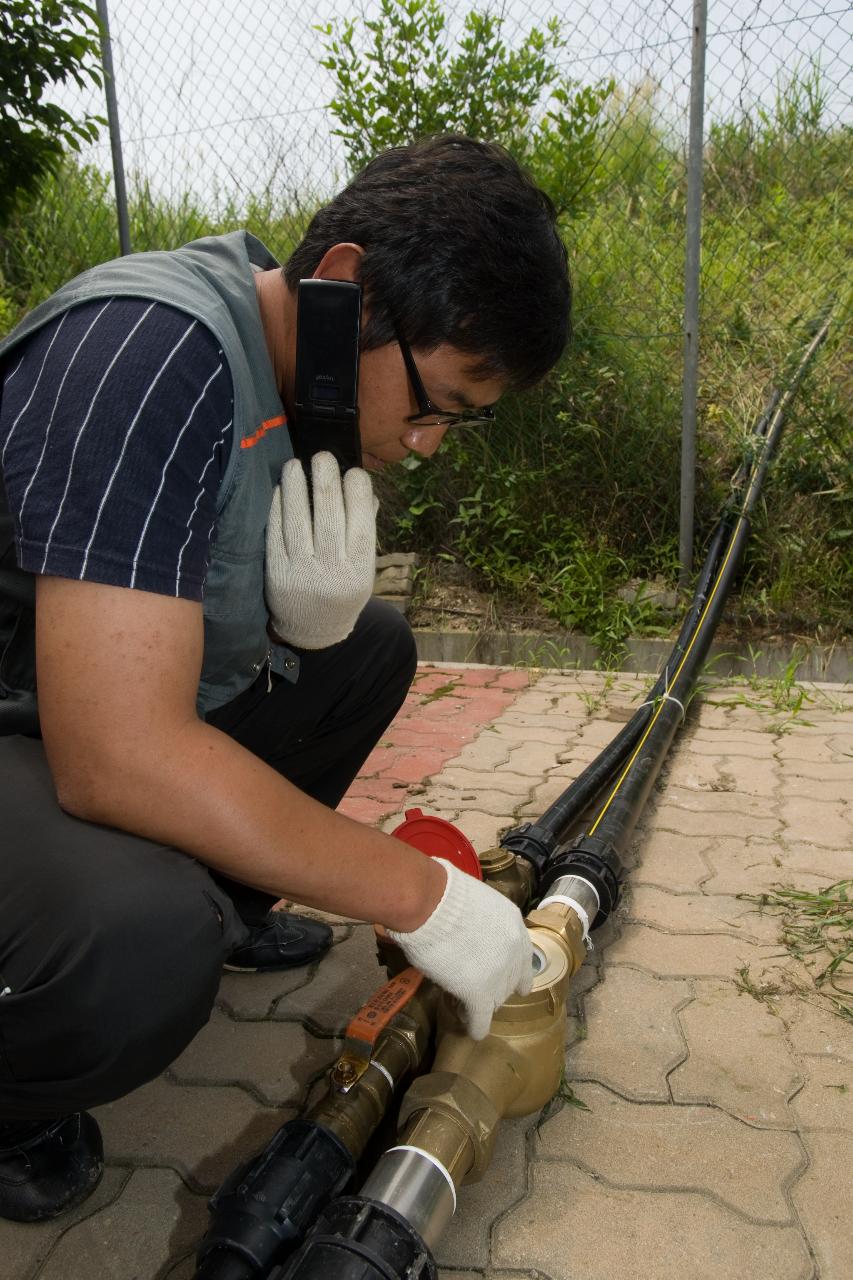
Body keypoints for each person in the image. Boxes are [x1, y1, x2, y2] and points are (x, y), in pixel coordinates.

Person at [0, 135, 571, 1222]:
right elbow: (115, 753)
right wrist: (417, 892)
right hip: (38, 730)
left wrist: (293, 629)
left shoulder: (297, 378)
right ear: (350, 287)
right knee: (137, 939)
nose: (427, 443)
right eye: (434, 403)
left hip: (62, 716)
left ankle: (227, 893)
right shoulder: (149, 350)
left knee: (365, 649)